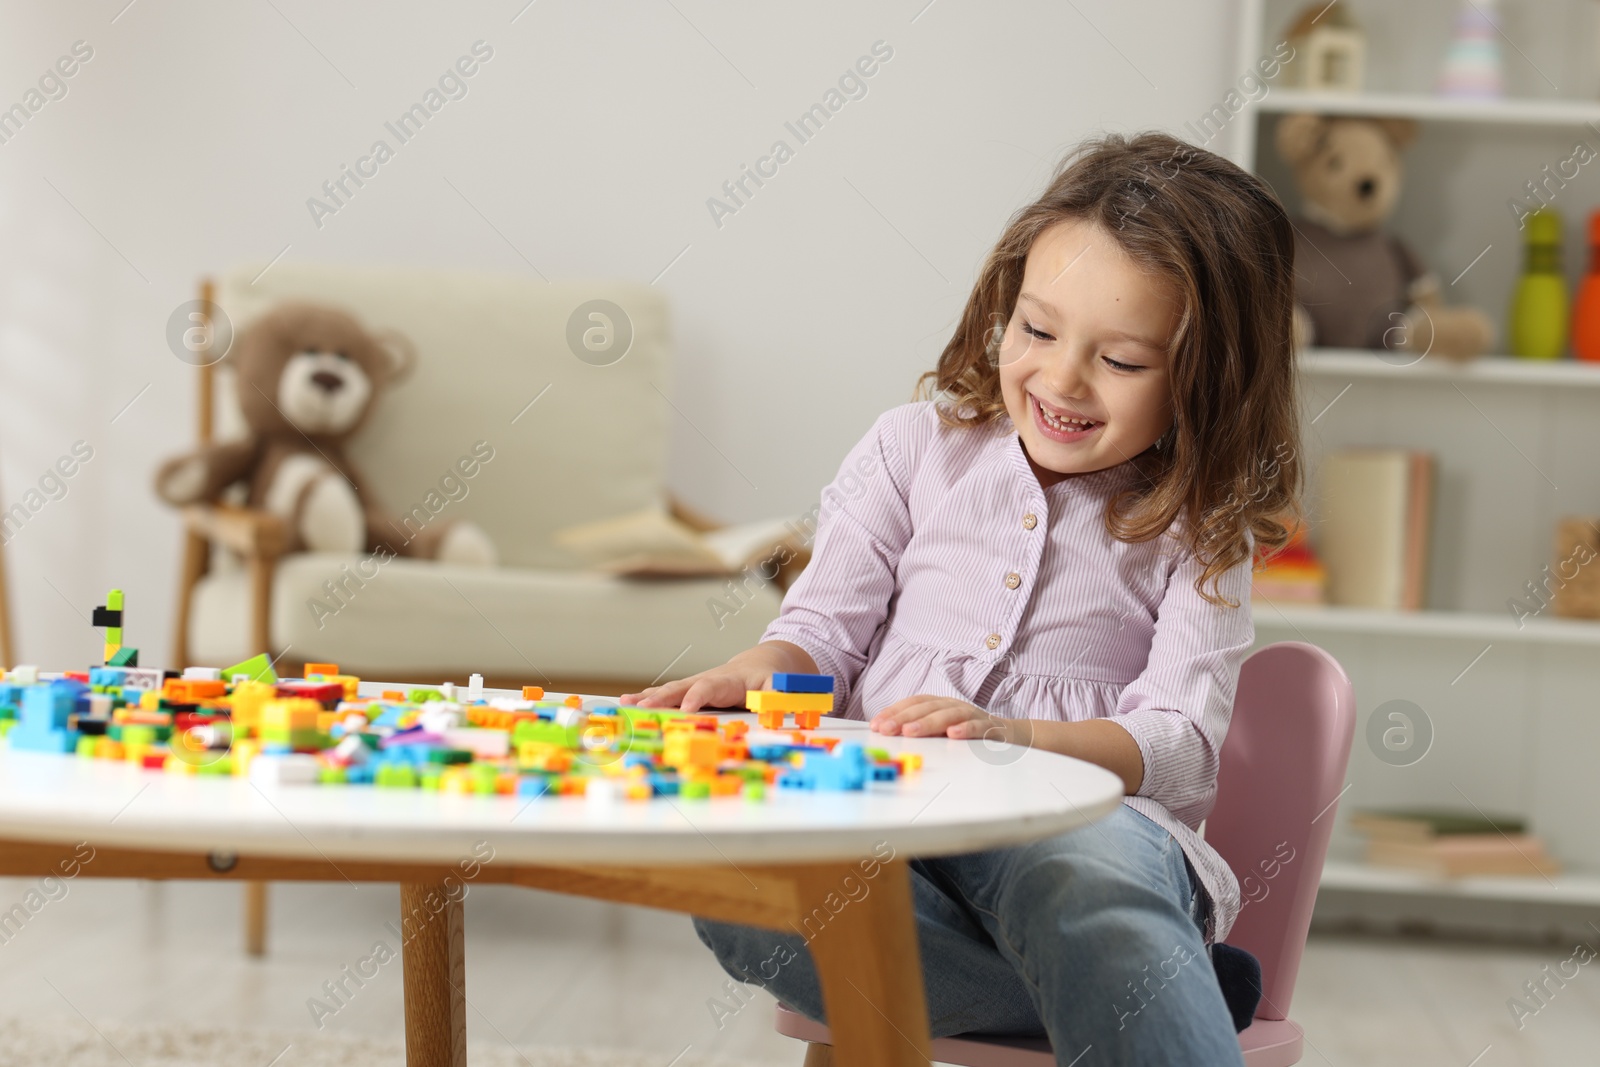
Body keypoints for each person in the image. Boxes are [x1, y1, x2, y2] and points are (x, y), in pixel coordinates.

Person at [620, 130, 1300, 1066]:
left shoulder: (1201, 524)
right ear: (1004, 306)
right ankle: (1158, 985)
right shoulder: (912, 450)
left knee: (1085, 890)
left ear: (1209, 378)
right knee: (744, 892)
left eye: (1124, 360)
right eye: (1037, 328)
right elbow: (821, 630)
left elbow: (1179, 747)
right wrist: (756, 671)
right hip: (884, 814)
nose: (1060, 379)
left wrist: (1023, 739)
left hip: (1085, 827)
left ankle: (1131, 964)